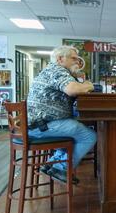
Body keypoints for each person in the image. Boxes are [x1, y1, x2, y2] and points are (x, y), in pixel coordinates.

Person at [26, 45, 96, 184]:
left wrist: (77, 79)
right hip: (43, 126)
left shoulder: (52, 70)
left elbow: (73, 87)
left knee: (74, 132)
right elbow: (72, 90)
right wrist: (89, 85)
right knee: (89, 136)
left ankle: (51, 164)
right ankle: (60, 168)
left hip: (39, 124)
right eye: (74, 59)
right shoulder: (57, 70)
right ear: (60, 59)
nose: (77, 62)